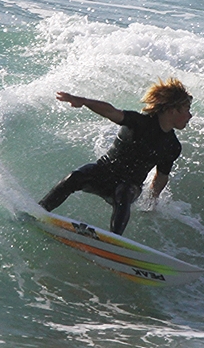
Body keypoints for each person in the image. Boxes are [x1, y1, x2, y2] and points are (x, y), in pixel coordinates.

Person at [38, 78, 192, 235]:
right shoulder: (139, 122)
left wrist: (150, 204)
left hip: (130, 185)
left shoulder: (172, 146)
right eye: (187, 109)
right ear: (172, 110)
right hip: (104, 172)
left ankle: (113, 240)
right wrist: (83, 101)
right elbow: (111, 112)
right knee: (75, 177)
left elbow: (161, 177)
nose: (190, 116)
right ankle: (39, 211)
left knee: (124, 192)